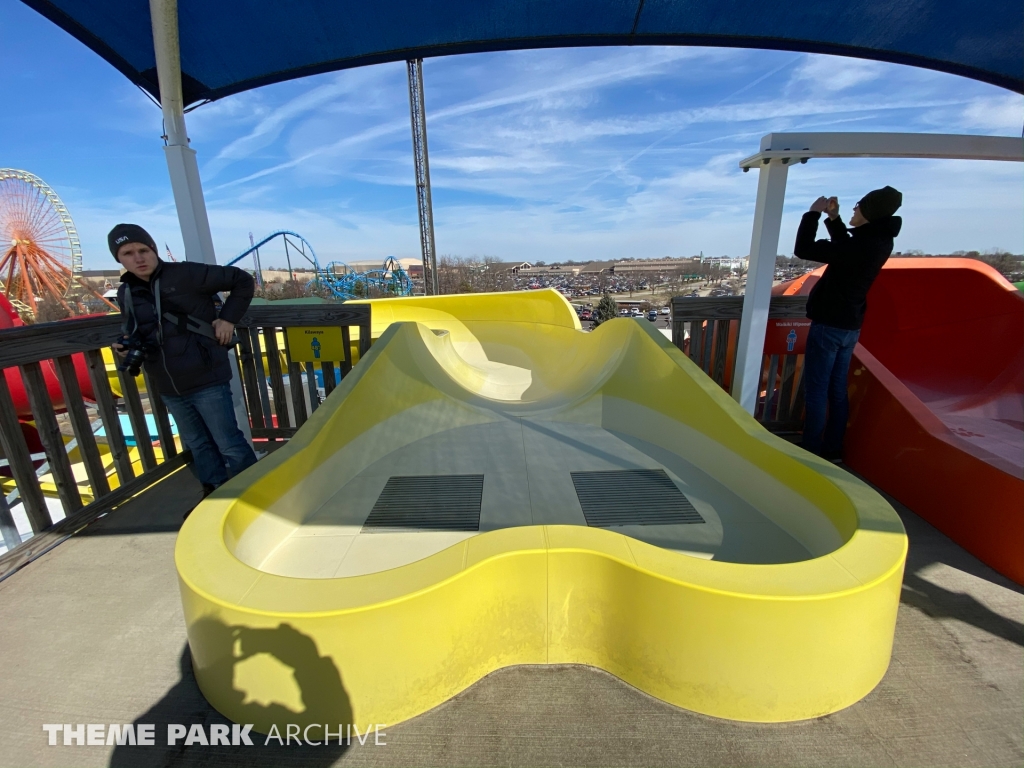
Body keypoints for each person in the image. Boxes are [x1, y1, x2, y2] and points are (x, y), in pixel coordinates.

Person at [108, 223, 258, 506]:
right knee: (198, 444)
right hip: (167, 384)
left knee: (228, 442)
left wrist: (227, 319)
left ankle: (251, 495)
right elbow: (138, 330)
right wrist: (125, 344)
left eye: (143, 249)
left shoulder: (186, 274)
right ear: (119, 259)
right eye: (128, 253)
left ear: (153, 249)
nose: (138, 258)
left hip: (206, 378)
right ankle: (215, 494)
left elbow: (242, 280)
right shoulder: (126, 293)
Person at [793, 186, 903, 461]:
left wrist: (813, 214)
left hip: (829, 324)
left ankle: (810, 453)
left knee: (817, 390)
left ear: (869, 212)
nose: (854, 209)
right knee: (837, 390)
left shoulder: (860, 245)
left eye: (858, 206)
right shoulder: (879, 240)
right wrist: (834, 219)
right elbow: (846, 246)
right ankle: (832, 450)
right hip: (849, 326)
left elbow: (804, 248)